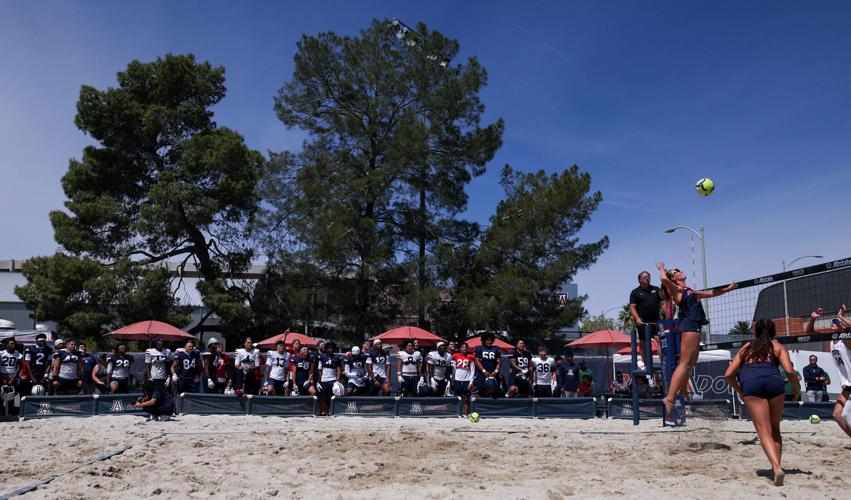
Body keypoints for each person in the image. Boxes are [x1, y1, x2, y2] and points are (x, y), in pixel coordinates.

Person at [725, 319, 798, 486]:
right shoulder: (778, 346)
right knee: (775, 429)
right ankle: (775, 468)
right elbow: (789, 371)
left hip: (751, 383)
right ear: (773, 332)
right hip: (774, 382)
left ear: (755, 332)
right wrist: (796, 389)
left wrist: (741, 392)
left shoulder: (746, 347)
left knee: (764, 430)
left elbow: (728, 374)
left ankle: (776, 467)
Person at [658, 262, 735, 417]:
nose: (679, 270)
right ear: (674, 278)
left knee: (691, 363)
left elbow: (712, 293)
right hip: (689, 326)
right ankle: (670, 398)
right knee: (684, 363)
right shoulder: (677, 289)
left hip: (695, 326)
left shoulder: (691, 290)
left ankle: (683, 389)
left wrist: (727, 289)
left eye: (678, 269)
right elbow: (665, 281)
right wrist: (662, 270)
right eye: (676, 271)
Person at [811, 305, 851, 438]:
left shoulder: (846, 341)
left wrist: (840, 315)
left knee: (845, 415)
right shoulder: (831, 341)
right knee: (837, 415)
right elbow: (810, 333)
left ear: (842, 327)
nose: (831, 325)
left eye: (835, 324)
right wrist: (812, 319)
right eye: (832, 324)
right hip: (847, 385)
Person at [629, 271, 664, 369]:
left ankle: (663, 362)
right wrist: (637, 318)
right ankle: (646, 365)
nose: (647, 278)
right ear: (640, 279)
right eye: (645, 277)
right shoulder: (635, 292)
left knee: (660, 340)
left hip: (656, 321)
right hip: (643, 323)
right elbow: (632, 307)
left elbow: (664, 302)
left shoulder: (656, 289)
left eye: (648, 276)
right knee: (643, 343)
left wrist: (667, 314)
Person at [473, 332, 502, 398]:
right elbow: (477, 361)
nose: (489, 341)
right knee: (480, 389)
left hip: (493, 373)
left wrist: (496, 371)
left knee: (493, 390)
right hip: (482, 373)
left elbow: (499, 362)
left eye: (491, 340)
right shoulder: (479, 348)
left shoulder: (496, 349)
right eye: (487, 340)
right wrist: (484, 371)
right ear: (483, 340)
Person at [317, 341, 342, 415]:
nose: (330, 349)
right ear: (326, 349)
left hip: (333, 380)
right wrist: (319, 381)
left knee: (332, 396)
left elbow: (338, 370)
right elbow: (319, 369)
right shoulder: (322, 356)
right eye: (329, 348)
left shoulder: (337, 357)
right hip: (324, 379)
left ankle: (332, 411)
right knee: (323, 396)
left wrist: (337, 380)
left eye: (332, 348)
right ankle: (324, 411)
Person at [451, 342, 475, 415]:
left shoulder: (470, 357)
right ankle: (458, 413)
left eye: (466, 347)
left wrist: (471, 382)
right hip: (457, 379)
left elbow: (472, 370)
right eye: (463, 347)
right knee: (458, 397)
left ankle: (465, 413)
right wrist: (452, 381)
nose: (464, 348)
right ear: (460, 348)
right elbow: (453, 370)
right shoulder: (455, 356)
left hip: (466, 380)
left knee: (466, 397)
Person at [1, 338, 23, 404]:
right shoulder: (1, 353)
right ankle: (1, 411)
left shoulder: (18, 354)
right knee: (1, 393)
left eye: (14, 344)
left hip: (12, 374)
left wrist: (12, 379)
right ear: (7, 345)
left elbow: (19, 367)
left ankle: (10, 411)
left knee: (11, 394)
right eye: (11, 344)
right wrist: (2, 378)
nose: (13, 345)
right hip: (2, 374)